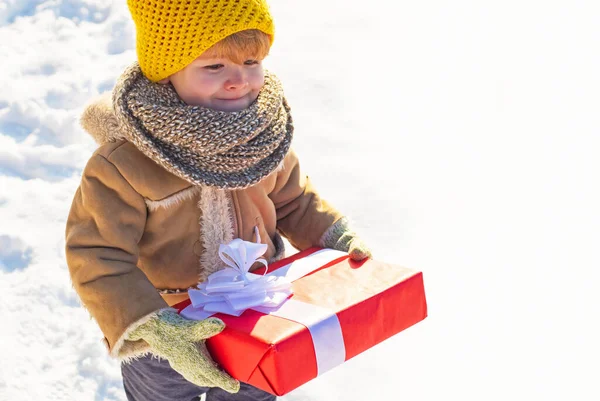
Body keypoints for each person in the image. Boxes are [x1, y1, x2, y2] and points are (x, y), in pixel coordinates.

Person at [65, 1, 371, 400]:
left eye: (251, 60)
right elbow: (97, 253)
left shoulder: (261, 134)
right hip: (169, 333)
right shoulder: (123, 164)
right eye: (214, 67)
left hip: (259, 316)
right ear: (167, 73)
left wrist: (335, 235)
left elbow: (293, 202)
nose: (239, 80)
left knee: (253, 393)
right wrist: (154, 327)